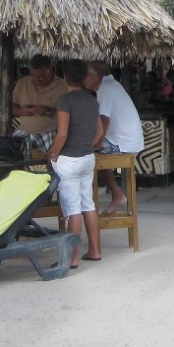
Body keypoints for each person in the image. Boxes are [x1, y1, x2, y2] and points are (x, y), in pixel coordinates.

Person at [47, 60, 104, 266]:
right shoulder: (92, 100)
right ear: (83, 78)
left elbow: (62, 133)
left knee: (72, 209)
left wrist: (53, 153)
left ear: (65, 78)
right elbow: (99, 131)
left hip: (69, 160)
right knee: (88, 204)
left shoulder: (65, 100)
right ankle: (95, 251)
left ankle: (72, 258)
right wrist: (86, 144)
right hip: (88, 158)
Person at [86, 60, 144, 214]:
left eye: (86, 74)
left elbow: (103, 122)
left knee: (87, 155)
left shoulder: (105, 88)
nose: (83, 78)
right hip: (128, 140)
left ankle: (88, 203)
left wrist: (95, 147)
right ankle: (116, 194)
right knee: (90, 151)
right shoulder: (112, 85)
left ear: (96, 76)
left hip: (123, 143)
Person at [12, 55, 66, 153]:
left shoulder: (63, 86)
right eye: (34, 77)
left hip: (50, 131)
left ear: (51, 70)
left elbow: (71, 115)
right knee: (10, 151)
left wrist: (49, 111)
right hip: (24, 130)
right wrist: (21, 111)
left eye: (43, 77)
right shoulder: (22, 83)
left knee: (54, 158)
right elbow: (11, 109)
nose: (39, 80)